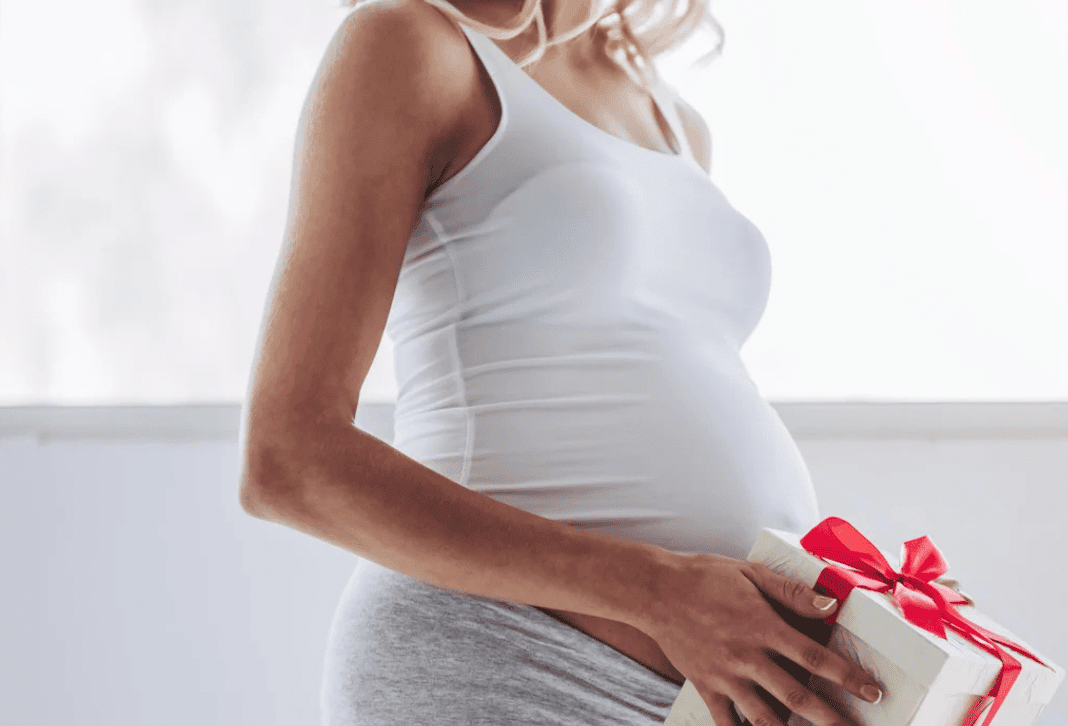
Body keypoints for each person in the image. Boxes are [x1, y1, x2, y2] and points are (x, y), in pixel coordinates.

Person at [237, 0, 885, 724]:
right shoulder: (414, 44)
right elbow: (289, 461)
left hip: (702, 690)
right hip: (499, 657)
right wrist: (660, 590)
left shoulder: (673, 121)